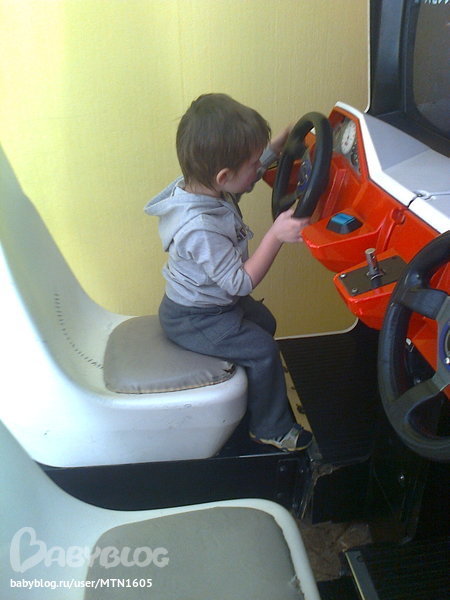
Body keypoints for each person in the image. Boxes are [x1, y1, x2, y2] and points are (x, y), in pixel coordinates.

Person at [145, 93, 312, 451]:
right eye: (254, 164)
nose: (258, 172)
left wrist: (274, 150)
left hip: (212, 305)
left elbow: (239, 178)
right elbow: (239, 283)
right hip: (195, 318)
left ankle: (253, 389)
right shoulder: (200, 226)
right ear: (224, 176)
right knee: (264, 349)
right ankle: (269, 428)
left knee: (265, 322)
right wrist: (276, 236)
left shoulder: (207, 187)